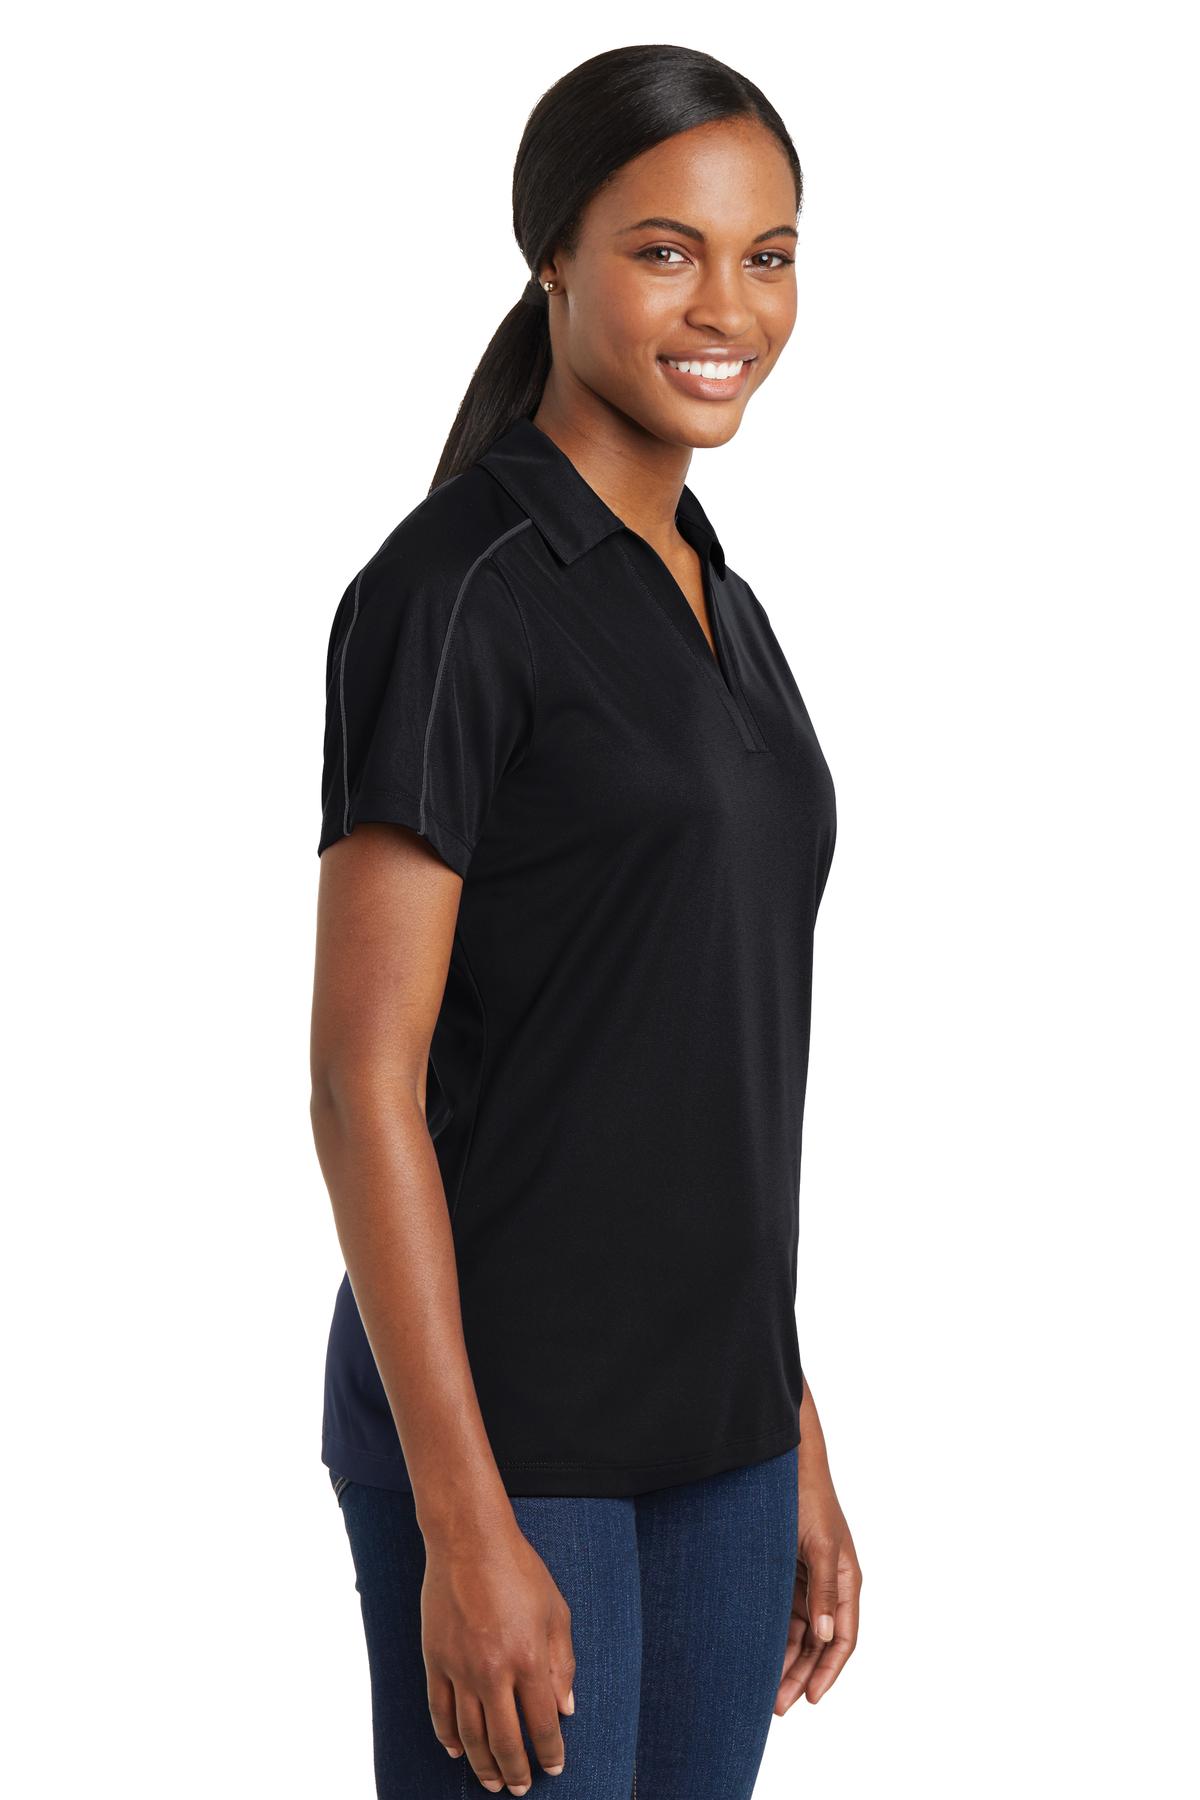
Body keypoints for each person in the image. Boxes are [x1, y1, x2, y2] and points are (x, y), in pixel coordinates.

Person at [309, 42, 862, 1800]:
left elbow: (705, 1062)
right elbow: (362, 1085)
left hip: (718, 1438)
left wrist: (790, 1425)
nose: (728, 308)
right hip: (510, 1435)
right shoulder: (454, 594)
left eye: (768, 255)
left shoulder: (724, 603)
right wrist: (463, 1522)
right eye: (665, 250)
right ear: (552, 258)